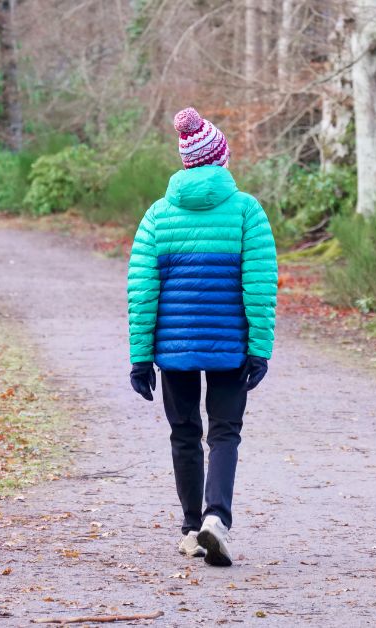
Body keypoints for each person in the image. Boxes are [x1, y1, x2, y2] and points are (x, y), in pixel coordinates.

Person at [126, 107, 278, 567]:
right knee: (225, 432)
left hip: (174, 349)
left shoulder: (157, 215)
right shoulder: (247, 211)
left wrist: (140, 357)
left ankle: (192, 526)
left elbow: (142, 292)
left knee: (185, 433)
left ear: (187, 162)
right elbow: (259, 286)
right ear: (221, 159)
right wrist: (259, 348)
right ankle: (216, 518)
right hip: (231, 345)